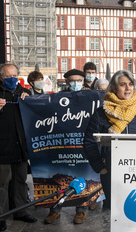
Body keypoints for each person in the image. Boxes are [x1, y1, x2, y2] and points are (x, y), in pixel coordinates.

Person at [83, 70, 136, 209]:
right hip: (111, 171)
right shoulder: (102, 112)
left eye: (131, 84)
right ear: (113, 87)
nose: (128, 88)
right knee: (114, 210)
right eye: (123, 84)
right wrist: (100, 167)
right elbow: (89, 141)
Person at [0, 63, 37, 231]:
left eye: (15, 75)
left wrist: (28, 98)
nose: (13, 79)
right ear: (0, 77)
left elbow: (35, 114)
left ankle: (21, 211)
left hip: (21, 145)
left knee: (20, 180)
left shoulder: (23, 92)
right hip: (1, 145)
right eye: (9, 76)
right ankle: (0, 217)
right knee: (1, 183)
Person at [44, 68, 92, 225]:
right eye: (72, 81)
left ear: (84, 81)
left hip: (83, 142)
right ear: (66, 81)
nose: (76, 83)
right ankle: (55, 210)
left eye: (79, 80)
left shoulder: (92, 96)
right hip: (63, 142)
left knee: (82, 177)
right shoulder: (59, 97)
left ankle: (81, 211)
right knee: (59, 177)